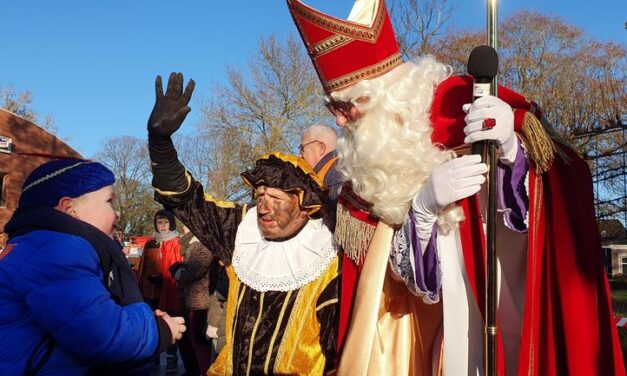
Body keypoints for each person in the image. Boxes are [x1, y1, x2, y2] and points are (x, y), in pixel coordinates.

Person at [288, 0, 625, 375]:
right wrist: (423, 209)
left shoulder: (463, 101)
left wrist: (512, 151)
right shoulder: (365, 172)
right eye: (333, 107)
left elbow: (566, 181)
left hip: (515, 312)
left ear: (390, 92)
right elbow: (392, 289)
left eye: (350, 104)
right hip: (444, 337)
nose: (340, 119)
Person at [146, 72, 340, 375]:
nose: (263, 205)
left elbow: (337, 347)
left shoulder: (327, 253)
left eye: (276, 197)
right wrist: (160, 143)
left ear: (304, 206)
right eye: (259, 194)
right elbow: (186, 199)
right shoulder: (241, 229)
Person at [0, 159, 186, 375]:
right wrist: (159, 329)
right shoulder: (56, 250)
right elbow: (98, 333)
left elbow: (88, 311)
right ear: (70, 210)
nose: (118, 214)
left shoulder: (44, 245)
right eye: (110, 202)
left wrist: (140, 316)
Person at [171, 227, 215, 375]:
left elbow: (196, 270)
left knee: (200, 342)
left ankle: (203, 371)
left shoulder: (203, 242)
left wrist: (180, 274)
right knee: (192, 340)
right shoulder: (192, 242)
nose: (183, 226)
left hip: (202, 301)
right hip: (193, 299)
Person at [300, 124, 343, 201]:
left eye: (302, 148)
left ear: (321, 148)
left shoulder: (335, 177)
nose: (300, 155)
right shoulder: (344, 169)